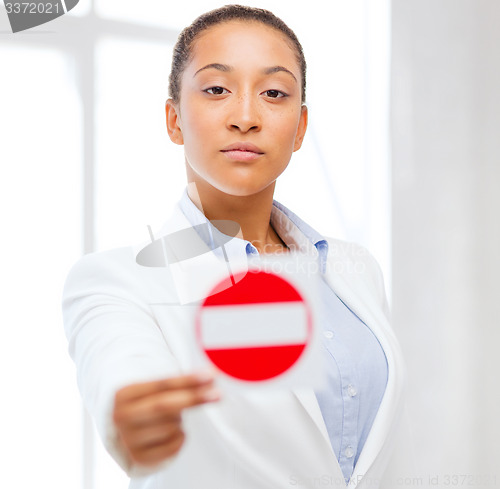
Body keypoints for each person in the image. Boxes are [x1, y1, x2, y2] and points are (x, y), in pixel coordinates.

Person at [62, 5, 407, 488]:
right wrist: (133, 416)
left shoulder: (356, 269)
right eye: (217, 89)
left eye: (273, 93)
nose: (245, 117)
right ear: (174, 119)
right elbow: (125, 377)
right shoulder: (120, 280)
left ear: (301, 127)